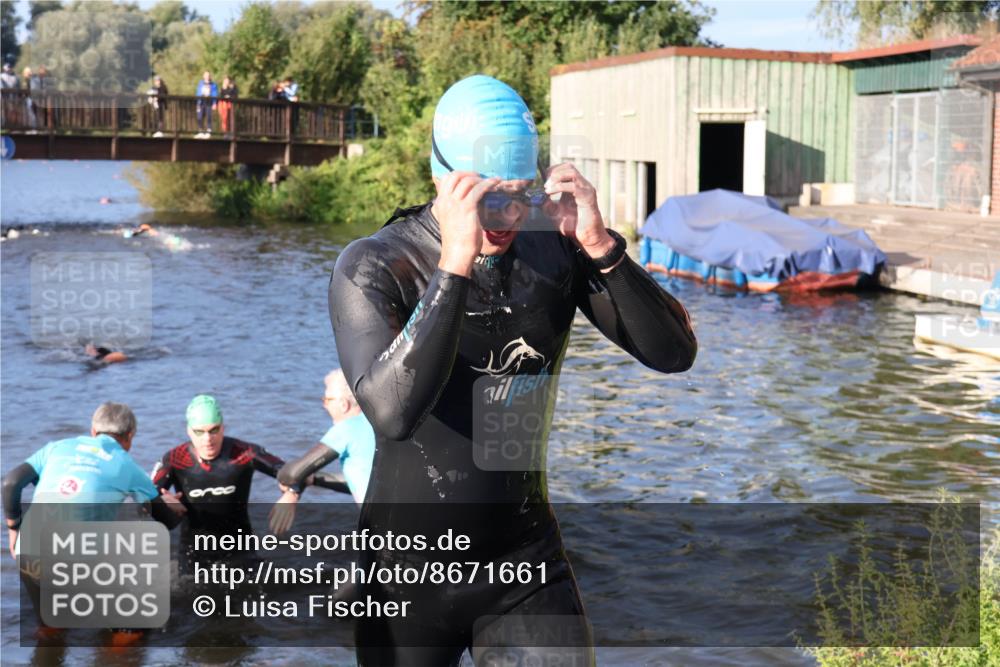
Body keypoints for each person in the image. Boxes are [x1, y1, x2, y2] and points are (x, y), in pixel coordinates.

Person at [328, 74, 697, 665]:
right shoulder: (377, 266)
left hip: (524, 561)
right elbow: (392, 413)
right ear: (441, 177)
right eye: (488, 196)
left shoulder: (554, 248)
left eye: (521, 194)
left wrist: (600, 245)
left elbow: (674, 354)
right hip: (405, 573)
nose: (506, 215)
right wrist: (455, 264)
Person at [2, 402, 186, 640]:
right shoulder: (126, 464)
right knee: (134, 625)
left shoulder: (56, 447)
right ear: (129, 436)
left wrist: (14, 529)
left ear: (93, 430)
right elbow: (167, 521)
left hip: (30, 550)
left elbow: (10, 483)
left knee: (52, 624)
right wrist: (173, 505)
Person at [152, 395, 341, 568]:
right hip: (193, 554)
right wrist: (160, 501)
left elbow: (295, 472)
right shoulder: (175, 459)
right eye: (199, 432)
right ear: (189, 431)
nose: (208, 439)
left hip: (240, 552)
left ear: (223, 428)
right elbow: (144, 498)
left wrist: (291, 494)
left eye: (214, 430)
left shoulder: (243, 453)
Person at [277, 369, 375, 505]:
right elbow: (362, 482)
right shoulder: (373, 423)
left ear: (343, 404)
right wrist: (313, 479)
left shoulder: (346, 429)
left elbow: (291, 474)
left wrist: (287, 480)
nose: (324, 405)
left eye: (327, 400)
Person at [194, 71, 217, 138]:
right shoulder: (200, 83)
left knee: (208, 116)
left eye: (208, 75)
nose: (207, 76)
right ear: (203, 76)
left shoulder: (213, 84)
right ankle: (200, 130)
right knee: (199, 116)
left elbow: (215, 94)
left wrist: (214, 103)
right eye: (206, 75)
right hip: (201, 102)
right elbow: (198, 92)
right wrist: (201, 96)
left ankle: (208, 130)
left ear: (210, 76)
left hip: (209, 102)